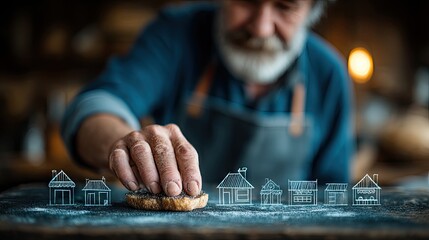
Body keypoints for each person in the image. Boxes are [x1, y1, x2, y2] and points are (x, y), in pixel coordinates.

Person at [61, 0, 354, 197]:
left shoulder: (328, 74)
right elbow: (95, 105)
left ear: (312, 11)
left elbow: (334, 197)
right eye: (246, 1)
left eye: (285, 7)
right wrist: (125, 144)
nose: (261, 28)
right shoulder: (175, 35)